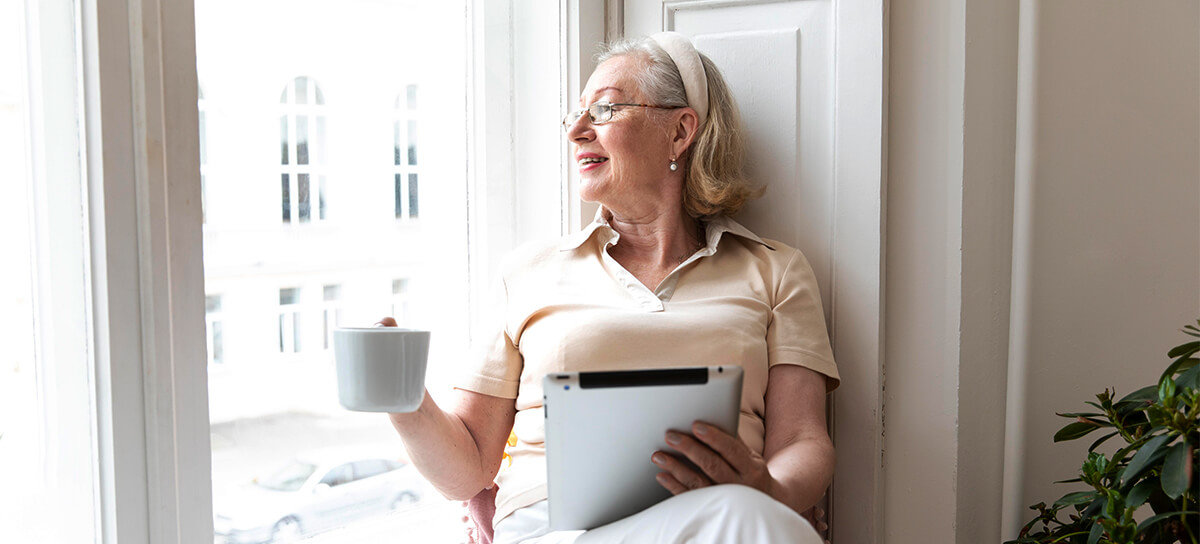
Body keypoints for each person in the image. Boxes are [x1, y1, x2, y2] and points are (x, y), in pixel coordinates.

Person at [384, 32, 839, 544]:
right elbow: (465, 469)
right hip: (556, 527)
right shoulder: (528, 272)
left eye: (603, 110)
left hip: (718, 518)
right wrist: (403, 400)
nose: (577, 131)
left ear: (680, 131)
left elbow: (804, 438)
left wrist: (772, 494)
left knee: (745, 516)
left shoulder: (775, 271)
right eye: (574, 115)